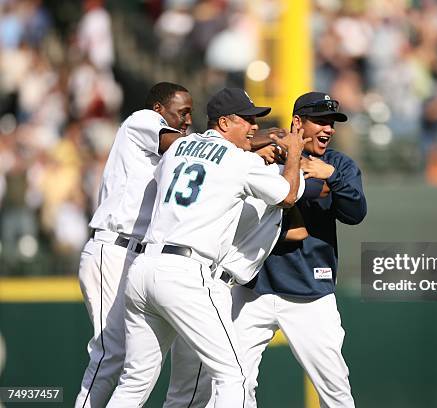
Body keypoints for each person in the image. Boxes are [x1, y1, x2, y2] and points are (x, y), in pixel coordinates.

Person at [106, 87, 307, 407]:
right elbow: (288, 196)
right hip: (187, 273)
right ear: (224, 123)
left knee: (134, 381)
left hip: (143, 269)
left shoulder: (180, 146)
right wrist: (293, 151)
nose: (255, 127)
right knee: (234, 376)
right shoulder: (239, 161)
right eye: (248, 120)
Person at [232, 92, 367, 408]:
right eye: (320, 121)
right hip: (254, 288)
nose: (328, 128)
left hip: (310, 291)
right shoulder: (264, 156)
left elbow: (356, 212)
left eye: (331, 123)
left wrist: (331, 177)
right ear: (297, 123)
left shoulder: (337, 164)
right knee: (233, 381)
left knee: (335, 391)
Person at [75, 82, 193, 408]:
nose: (187, 119)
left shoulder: (178, 146)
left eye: (190, 113)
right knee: (111, 353)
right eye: (182, 111)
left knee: (133, 358)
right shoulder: (141, 120)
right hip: (112, 248)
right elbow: (180, 146)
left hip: (137, 254)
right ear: (159, 109)